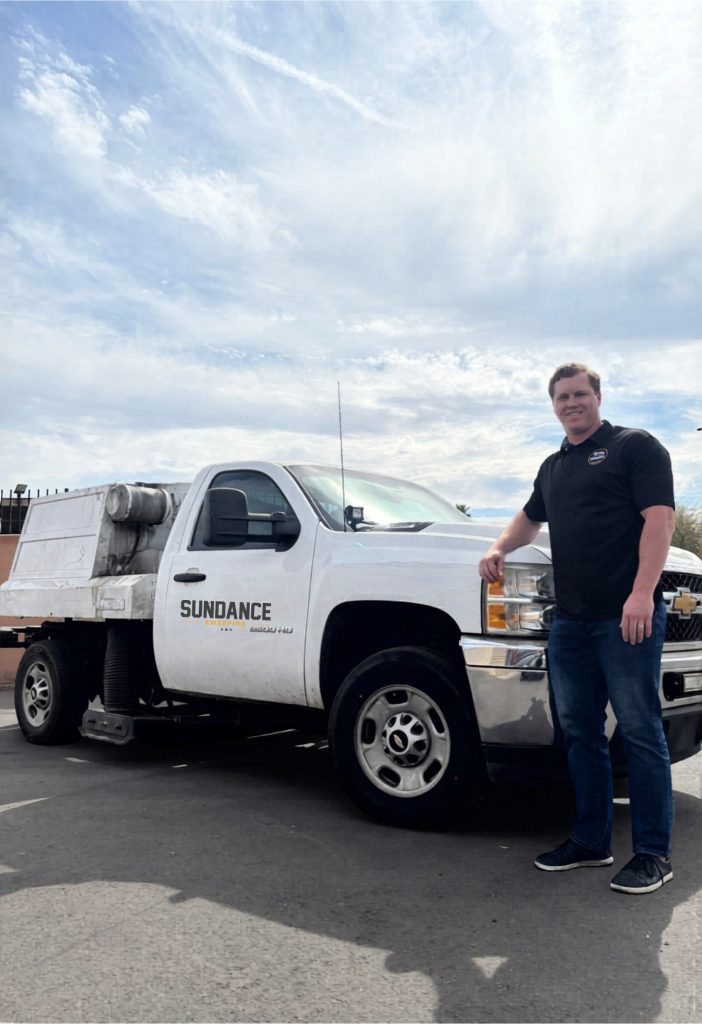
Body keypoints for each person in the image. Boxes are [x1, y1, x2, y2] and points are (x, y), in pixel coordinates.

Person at [478, 362, 676, 895]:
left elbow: (660, 519)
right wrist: (499, 546)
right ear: (553, 405)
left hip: (626, 618)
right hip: (570, 623)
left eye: (579, 394)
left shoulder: (635, 447)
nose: (571, 403)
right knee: (580, 732)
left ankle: (654, 854)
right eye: (562, 397)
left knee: (640, 729)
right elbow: (529, 519)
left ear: (598, 397)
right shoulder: (553, 466)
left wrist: (641, 594)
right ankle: (590, 840)